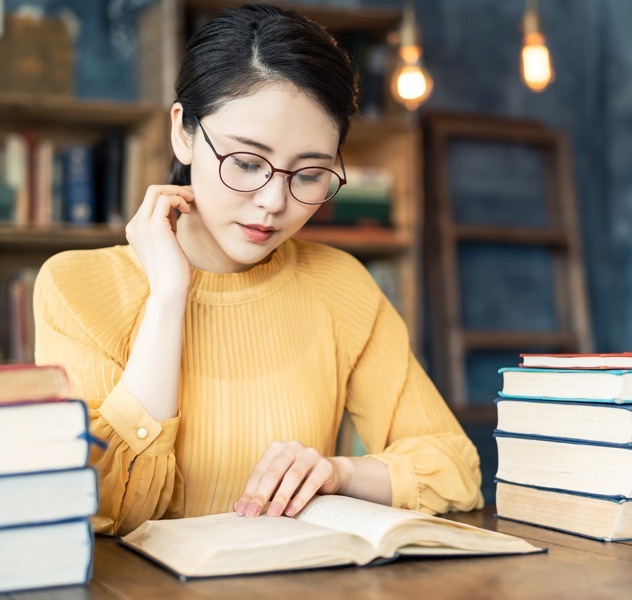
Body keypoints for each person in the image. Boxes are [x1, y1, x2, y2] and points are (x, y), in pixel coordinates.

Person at [33, 3, 483, 536]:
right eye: (246, 163)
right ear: (184, 133)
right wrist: (168, 298)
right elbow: (106, 505)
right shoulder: (76, 287)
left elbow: (457, 470)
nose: (273, 202)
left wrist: (339, 472)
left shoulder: (339, 286)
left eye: (311, 173)